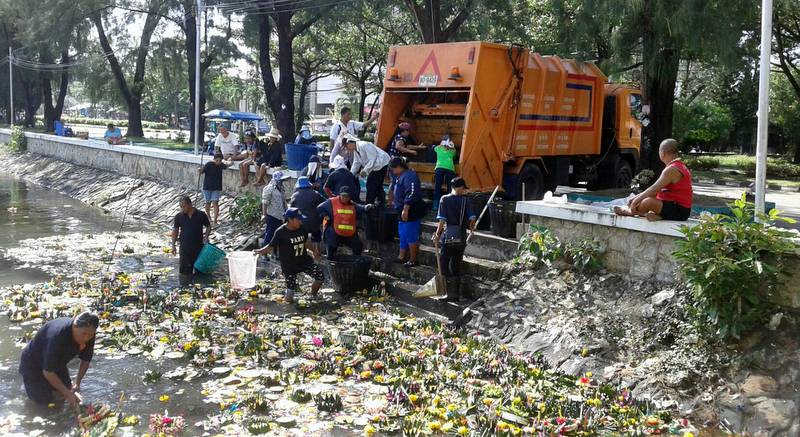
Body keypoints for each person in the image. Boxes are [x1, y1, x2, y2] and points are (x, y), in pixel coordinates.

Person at [18, 312, 99, 407]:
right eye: (84, 334)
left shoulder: (89, 334)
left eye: (90, 335)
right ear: (75, 326)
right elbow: (48, 372)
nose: (86, 338)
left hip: (58, 362)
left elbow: (86, 359)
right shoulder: (57, 335)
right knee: (43, 402)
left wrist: (77, 383)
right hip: (33, 363)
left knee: (65, 393)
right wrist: (68, 394)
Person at [254, 208, 325, 303]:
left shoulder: (302, 228)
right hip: (289, 265)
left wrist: (315, 251)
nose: (300, 221)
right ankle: (287, 306)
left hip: (304, 261)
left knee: (320, 276)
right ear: (290, 220)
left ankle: (313, 295)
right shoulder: (280, 232)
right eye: (298, 219)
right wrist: (259, 251)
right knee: (290, 290)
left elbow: (306, 242)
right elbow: (270, 247)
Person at [614, 138, 693, 221]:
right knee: (644, 198)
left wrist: (636, 201)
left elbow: (654, 189)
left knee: (648, 202)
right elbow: (657, 191)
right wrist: (638, 197)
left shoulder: (672, 169)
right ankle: (657, 216)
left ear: (662, 153)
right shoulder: (677, 166)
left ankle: (632, 212)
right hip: (674, 206)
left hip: (680, 211)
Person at [432, 177, 477, 302]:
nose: (463, 190)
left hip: (448, 237)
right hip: (461, 237)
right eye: (463, 188)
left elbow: (442, 221)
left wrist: (437, 235)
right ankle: (455, 294)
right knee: (456, 264)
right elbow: (472, 218)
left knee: (444, 263)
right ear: (460, 187)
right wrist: (472, 226)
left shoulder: (444, 199)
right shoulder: (465, 201)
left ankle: (445, 293)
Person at [388, 157, 426, 266]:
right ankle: (401, 256)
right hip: (400, 209)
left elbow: (412, 193)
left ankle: (413, 260)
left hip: (411, 210)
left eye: (394, 169)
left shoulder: (410, 175)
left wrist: (406, 208)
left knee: (411, 234)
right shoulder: (399, 176)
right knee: (403, 234)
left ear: (400, 167)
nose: (393, 172)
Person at [317, 186, 372, 258]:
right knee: (331, 248)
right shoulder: (331, 202)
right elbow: (319, 208)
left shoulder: (352, 204)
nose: (345, 198)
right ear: (340, 195)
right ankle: (330, 262)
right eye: (343, 196)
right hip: (334, 232)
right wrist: (325, 215)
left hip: (349, 233)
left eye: (347, 196)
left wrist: (366, 207)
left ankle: (355, 263)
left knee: (358, 245)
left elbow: (361, 208)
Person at [346, 134, 391, 206]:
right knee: (377, 184)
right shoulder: (356, 150)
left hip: (381, 163)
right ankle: (381, 201)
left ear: (351, 143)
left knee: (371, 184)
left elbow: (372, 159)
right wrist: (350, 174)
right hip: (375, 166)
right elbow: (356, 163)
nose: (346, 149)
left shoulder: (364, 145)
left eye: (346, 146)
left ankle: (369, 203)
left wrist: (365, 170)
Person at [171, 196, 211, 275]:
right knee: (184, 273)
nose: (182, 209)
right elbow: (175, 231)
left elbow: (208, 226)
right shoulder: (178, 216)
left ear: (190, 204)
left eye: (184, 206)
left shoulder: (201, 214)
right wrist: (173, 245)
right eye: (181, 207)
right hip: (184, 248)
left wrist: (206, 236)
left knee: (200, 272)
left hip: (199, 247)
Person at [290, 176, 326, 259]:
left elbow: (291, 210)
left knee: (302, 236)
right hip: (315, 221)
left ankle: (304, 253)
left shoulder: (295, 195)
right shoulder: (315, 194)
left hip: (302, 222)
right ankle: (317, 251)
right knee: (316, 235)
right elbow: (325, 203)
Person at [261, 170, 290, 253]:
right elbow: (265, 202)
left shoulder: (281, 188)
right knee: (269, 235)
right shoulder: (269, 188)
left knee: (278, 236)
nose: (282, 182)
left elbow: (282, 200)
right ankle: (264, 253)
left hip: (281, 215)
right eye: (281, 180)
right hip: (272, 215)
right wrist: (264, 214)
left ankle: (275, 253)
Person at [198, 152, 227, 225]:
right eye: (217, 160)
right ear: (214, 159)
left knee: (215, 203)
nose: (218, 162)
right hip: (207, 187)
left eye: (220, 161)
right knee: (208, 203)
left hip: (216, 187)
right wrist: (199, 170)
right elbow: (202, 172)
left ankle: (215, 220)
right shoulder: (209, 164)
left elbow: (226, 166)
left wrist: (230, 162)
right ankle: (208, 217)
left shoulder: (221, 165)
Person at [433, 138, 457, 212]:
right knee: (450, 188)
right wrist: (452, 147)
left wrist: (440, 145)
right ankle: (449, 205)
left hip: (439, 168)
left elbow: (434, 147)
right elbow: (455, 156)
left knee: (437, 187)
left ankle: (435, 206)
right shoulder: (452, 151)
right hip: (450, 168)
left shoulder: (438, 148)